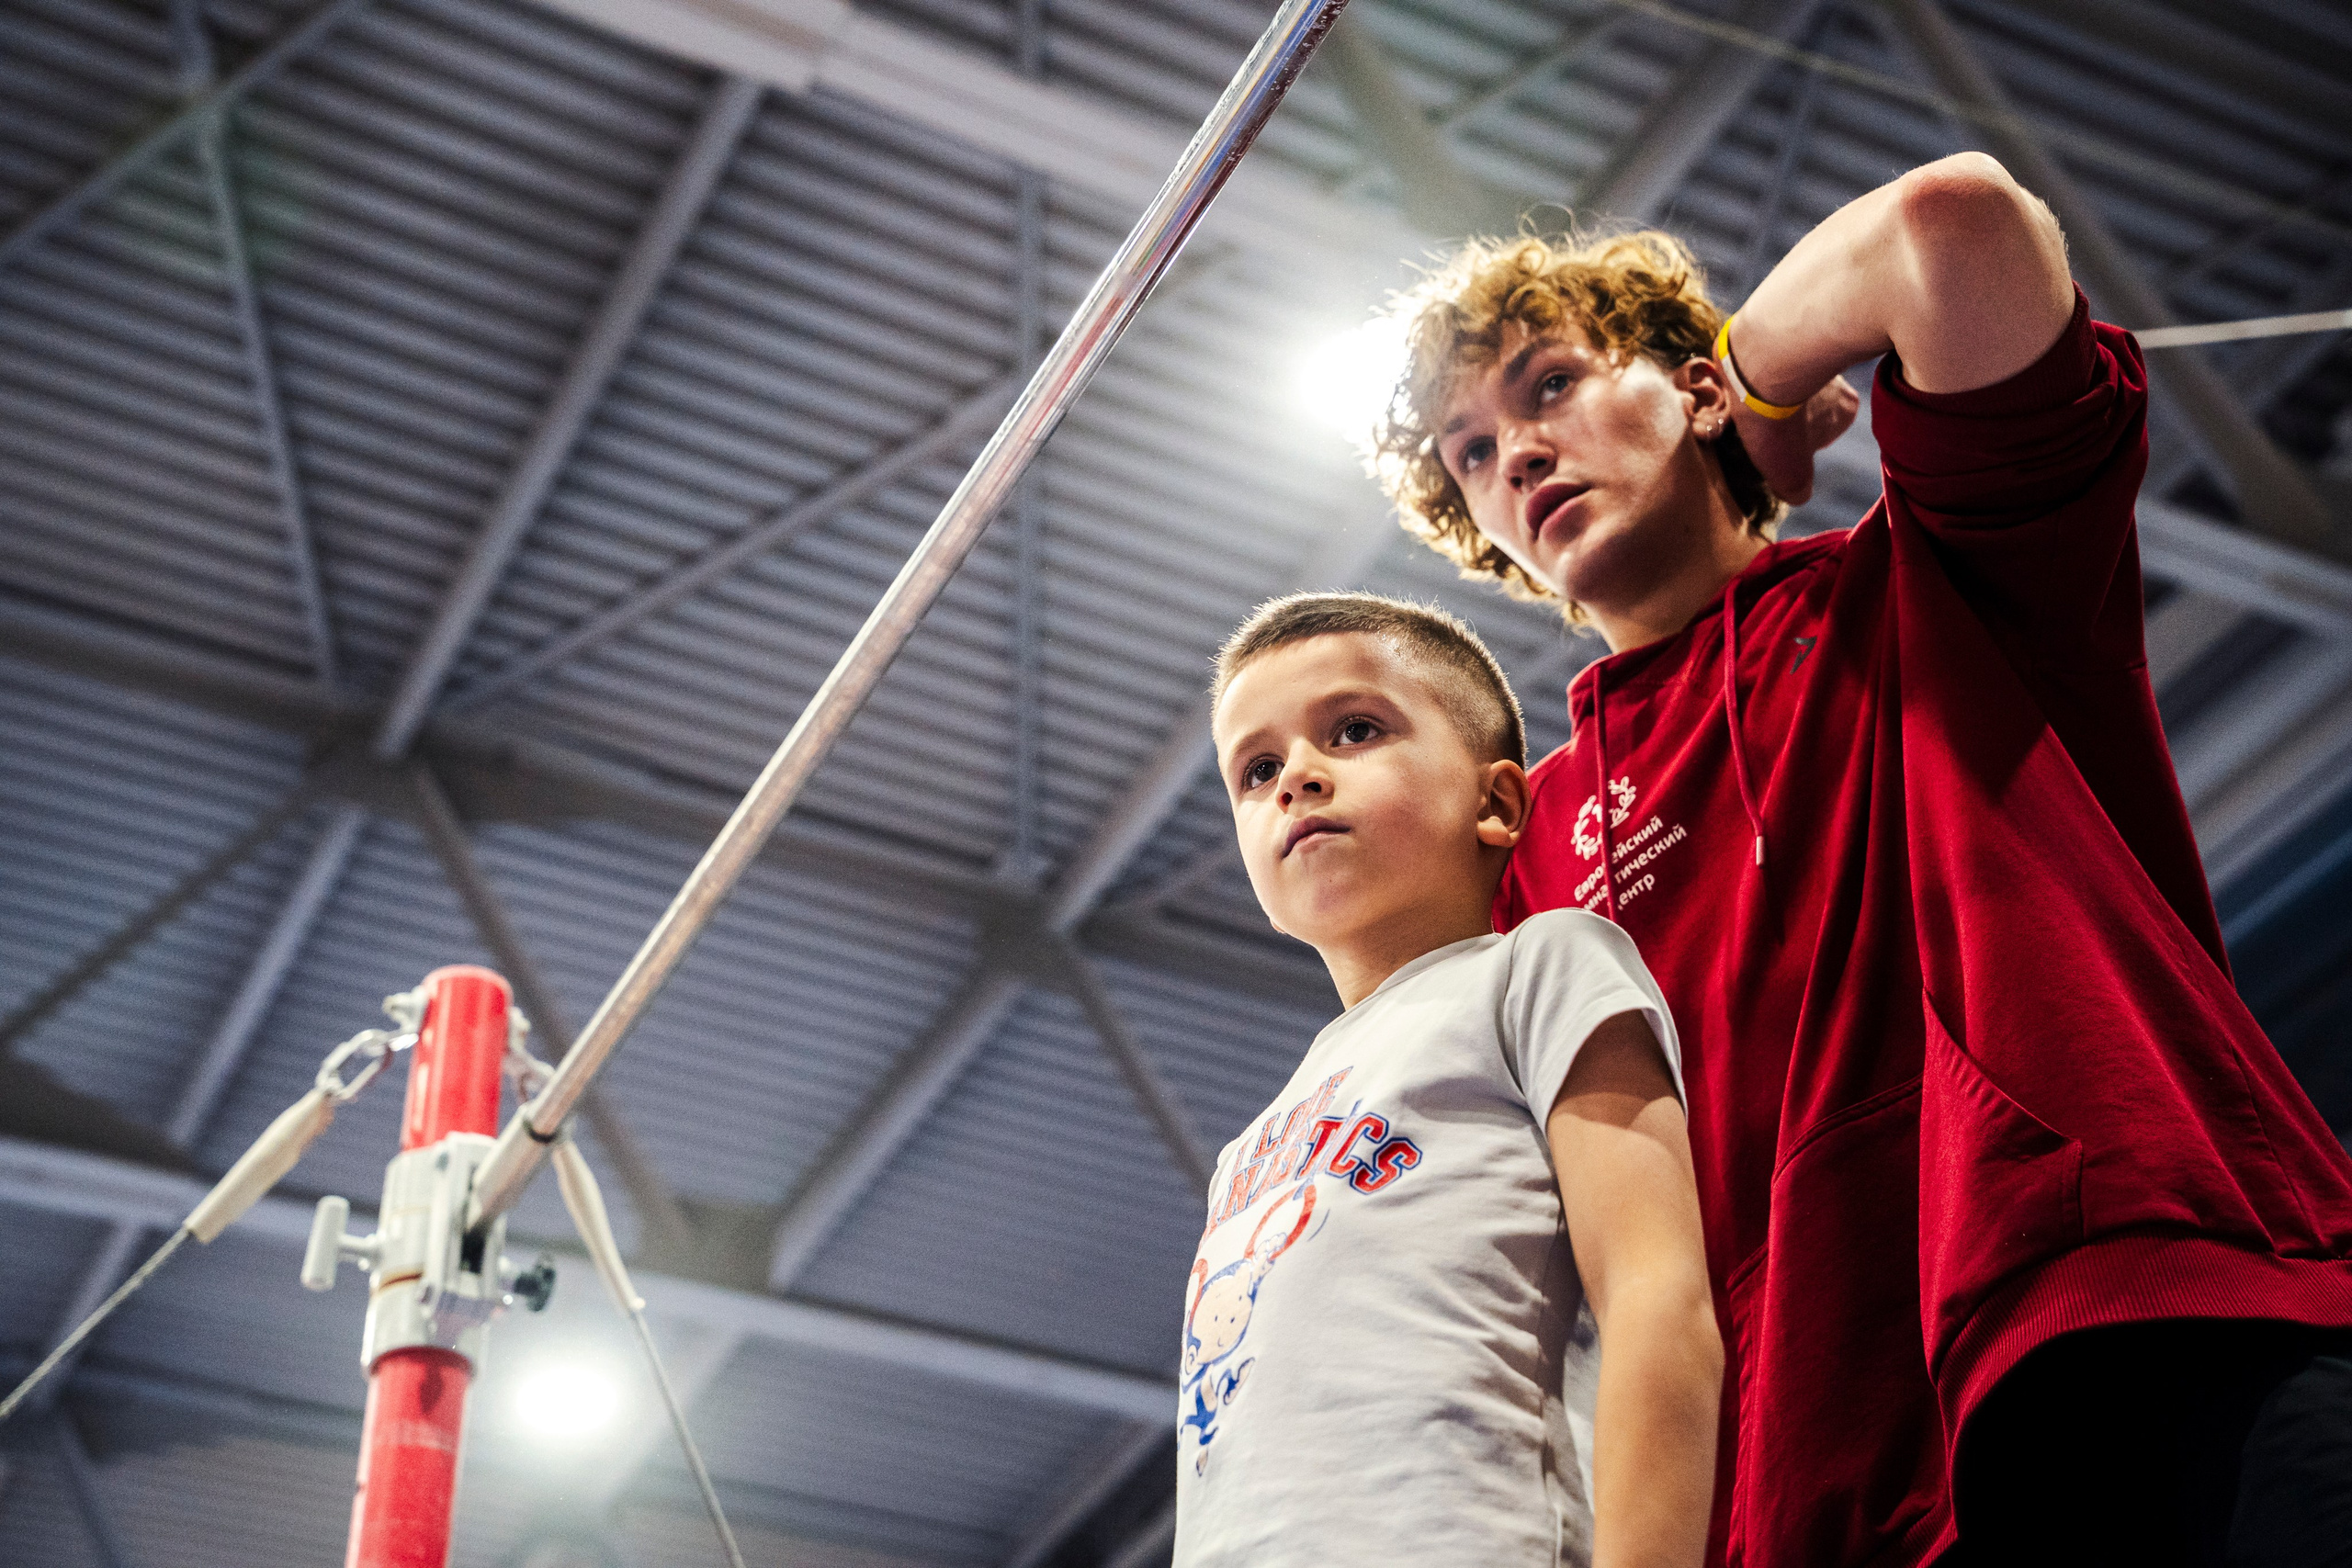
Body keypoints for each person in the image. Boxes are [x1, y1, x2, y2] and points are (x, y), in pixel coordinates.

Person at [1363, 150, 2352, 1567]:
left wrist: (1755, 384)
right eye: (1472, 450)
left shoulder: (1943, 577)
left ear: (1692, 390)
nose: (1514, 452)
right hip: (1810, 1490)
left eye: (1551, 385)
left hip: (2139, 1317)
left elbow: (1949, 226)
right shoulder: (1526, 866)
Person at [1176, 592, 1722, 1568]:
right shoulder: (1244, 1155)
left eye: (1352, 731)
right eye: (1255, 771)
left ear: (1496, 802)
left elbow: (1658, 1295)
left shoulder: (1540, 967)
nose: (1296, 776)